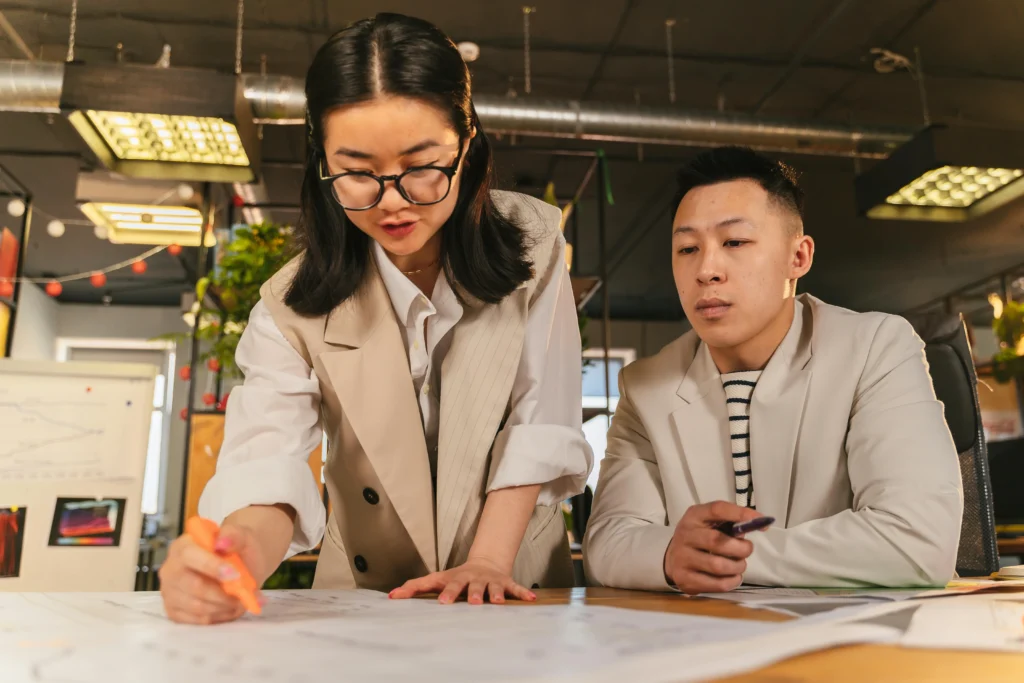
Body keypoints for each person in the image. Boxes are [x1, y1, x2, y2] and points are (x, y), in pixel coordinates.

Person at [158, 13, 592, 624]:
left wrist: (489, 561)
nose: (392, 202)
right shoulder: (289, 303)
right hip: (365, 595)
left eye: (422, 167)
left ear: (467, 147)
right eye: (358, 173)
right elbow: (269, 460)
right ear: (323, 163)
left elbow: (540, 417)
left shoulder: (535, 244)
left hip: (510, 575)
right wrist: (234, 559)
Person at [583, 146, 963, 594]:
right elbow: (607, 542)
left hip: (862, 640)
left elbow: (918, 542)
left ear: (798, 257)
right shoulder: (645, 385)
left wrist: (716, 555)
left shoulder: (875, 347)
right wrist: (668, 556)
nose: (706, 270)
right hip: (705, 642)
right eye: (687, 248)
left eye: (735, 242)